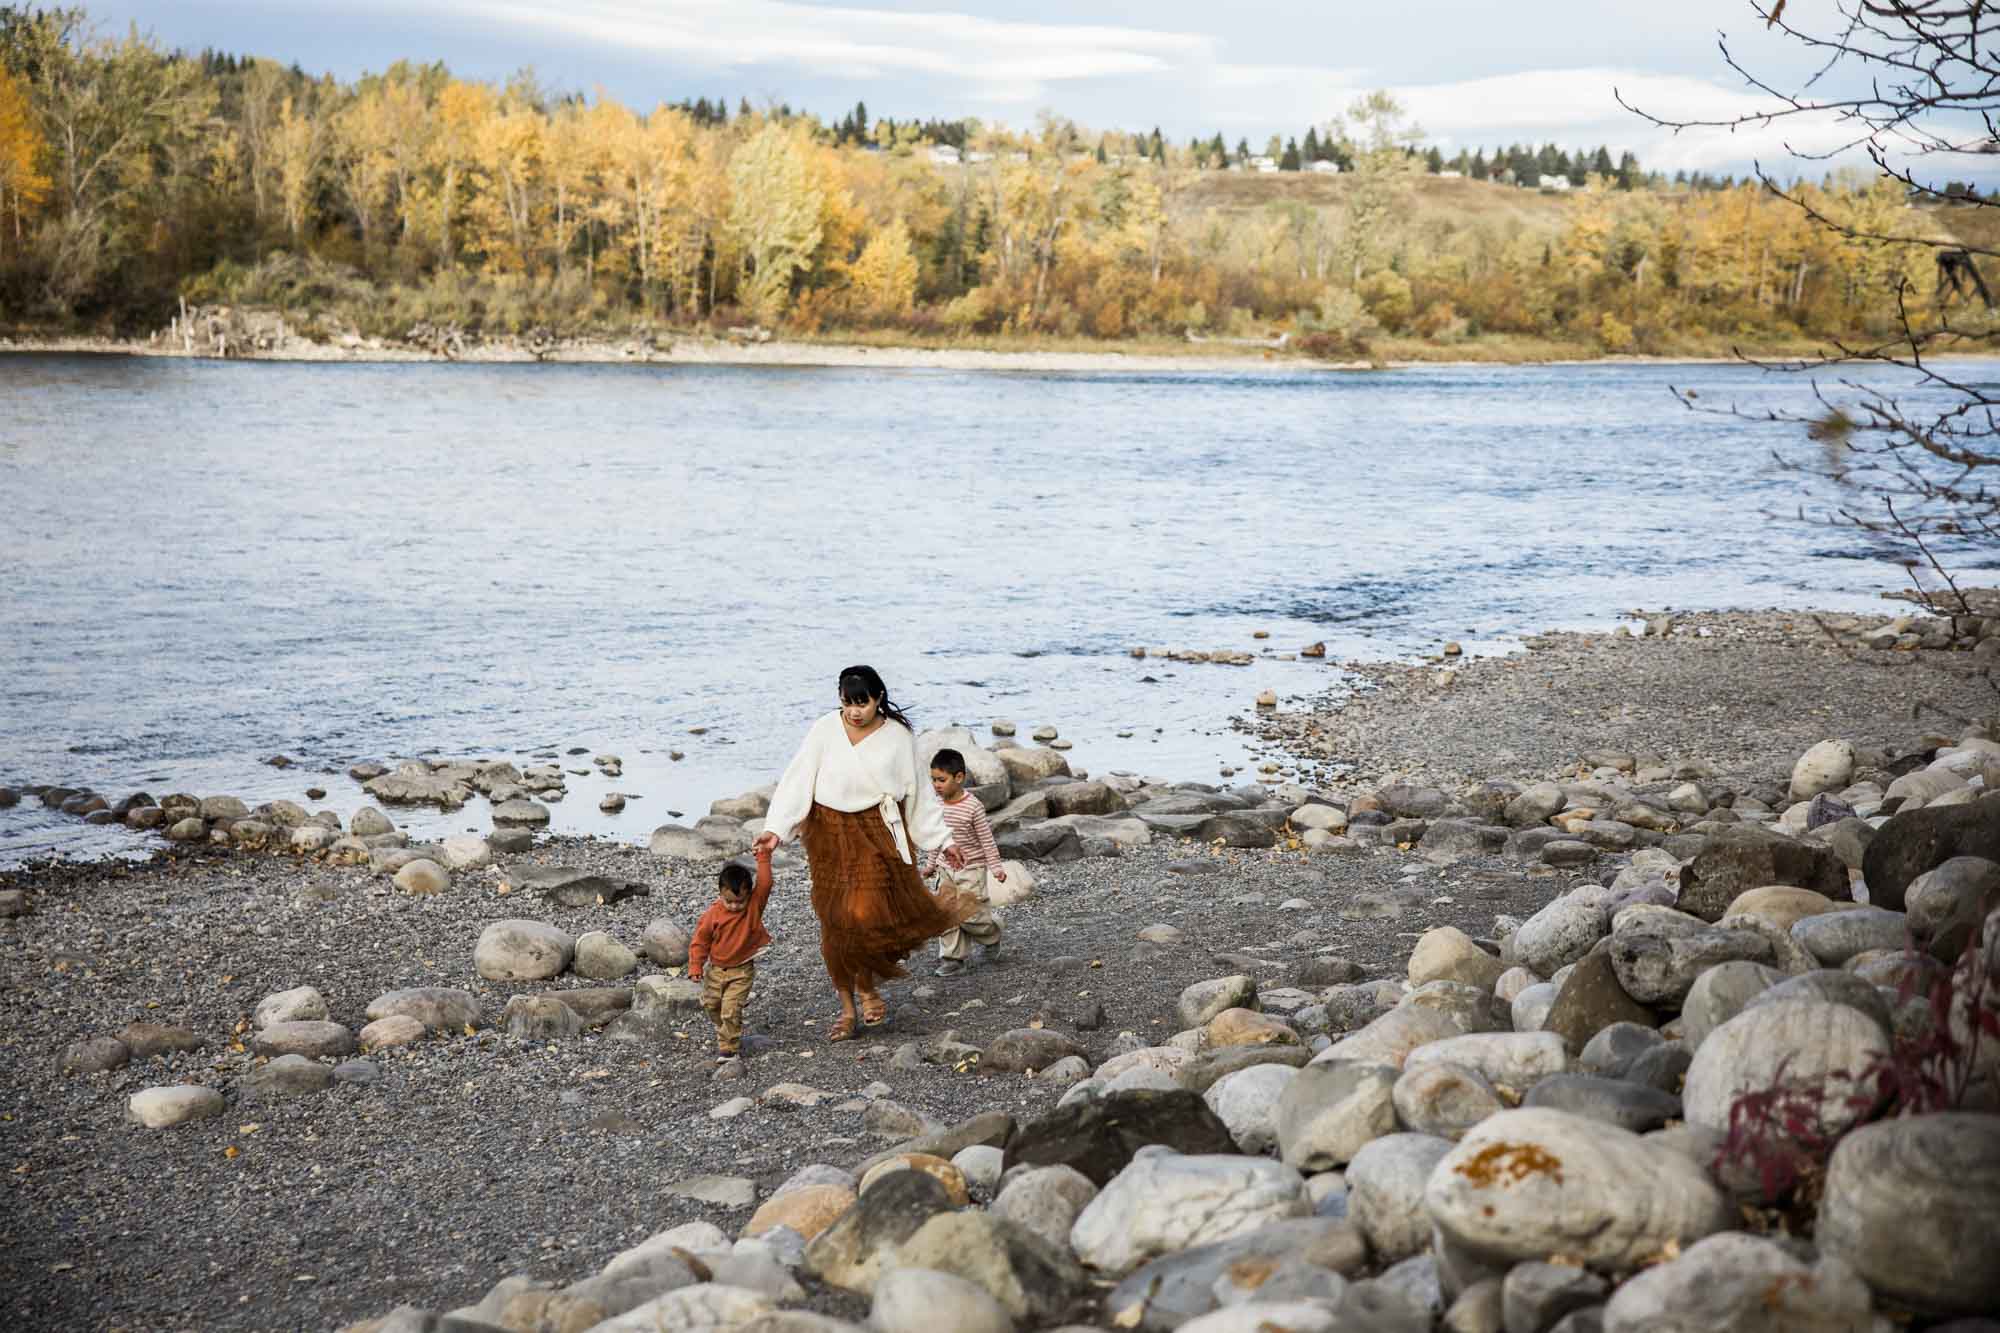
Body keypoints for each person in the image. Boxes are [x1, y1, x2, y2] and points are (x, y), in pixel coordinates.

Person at [753, 664, 976, 1041]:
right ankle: (847, 1006)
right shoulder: (825, 729)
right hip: (828, 833)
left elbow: (918, 792)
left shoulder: (898, 736)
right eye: (847, 702)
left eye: (863, 703)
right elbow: (798, 779)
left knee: (867, 914)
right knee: (836, 921)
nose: (854, 711)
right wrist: (777, 829)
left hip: (877, 833)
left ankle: (868, 986)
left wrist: (943, 840)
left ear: (879, 699)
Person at [687, 843, 774, 1063]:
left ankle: (729, 1049)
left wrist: (763, 857)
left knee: (730, 1010)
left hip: (741, 971)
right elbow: (700, 942)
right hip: (715, 970)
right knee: (712, 1005)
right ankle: (725, 1031)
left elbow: (765, 884)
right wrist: (696, 965)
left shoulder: (754, 906)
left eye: (740, 902)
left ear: (749, 896)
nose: (735, 906)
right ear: (720, 894)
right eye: (729, 902)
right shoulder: (712, 915)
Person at [924, 748, 1005, 977]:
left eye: (941, 780)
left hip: (971, 869)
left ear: (959, 778)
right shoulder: (936, 805)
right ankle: (952, 959)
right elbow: (936, 838)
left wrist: (996, 867)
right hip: (945, 868)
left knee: (971, 916)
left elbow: (987, 840)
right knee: (946, 913)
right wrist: (931, 865)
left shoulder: (973, 807)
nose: (936, 785)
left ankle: (992, 933)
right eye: (933, 780)